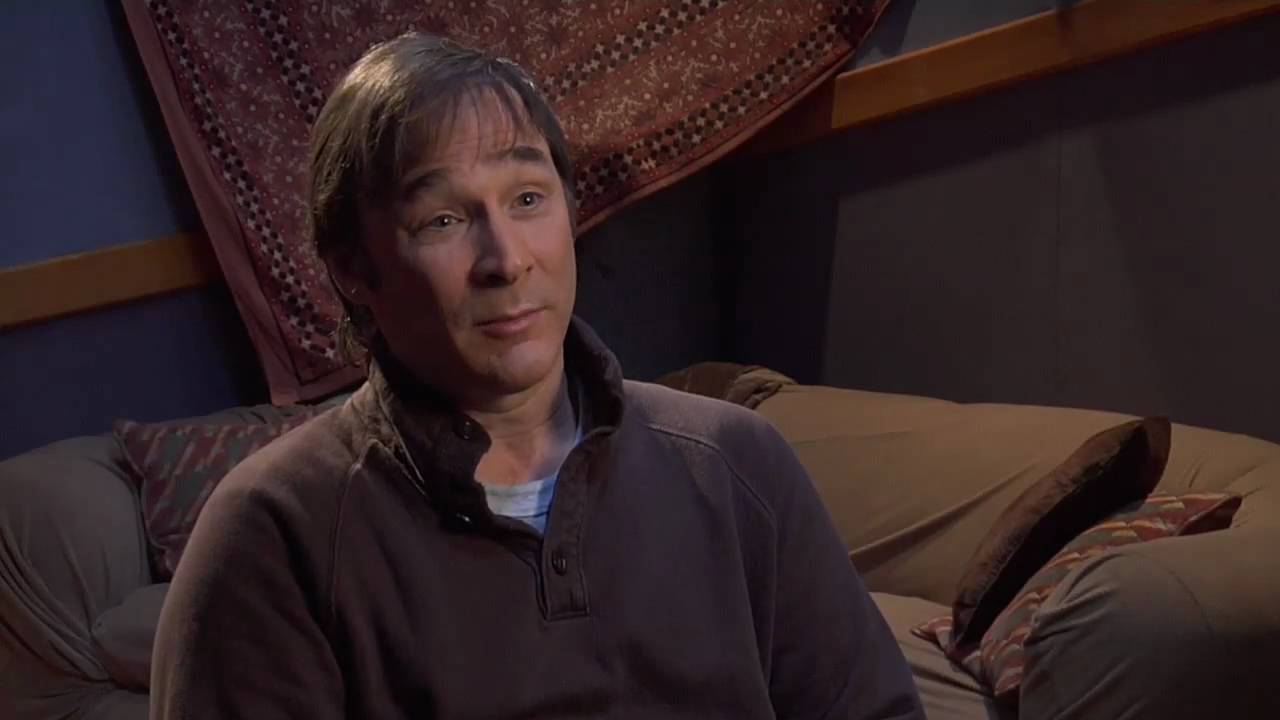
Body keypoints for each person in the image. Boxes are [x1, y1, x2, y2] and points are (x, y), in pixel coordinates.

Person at [150, 32, 924, 720]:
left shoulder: (734, 463)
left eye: (527, 199)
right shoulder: (273, 533)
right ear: (353, 267)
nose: (507, 259)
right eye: (444, 220)